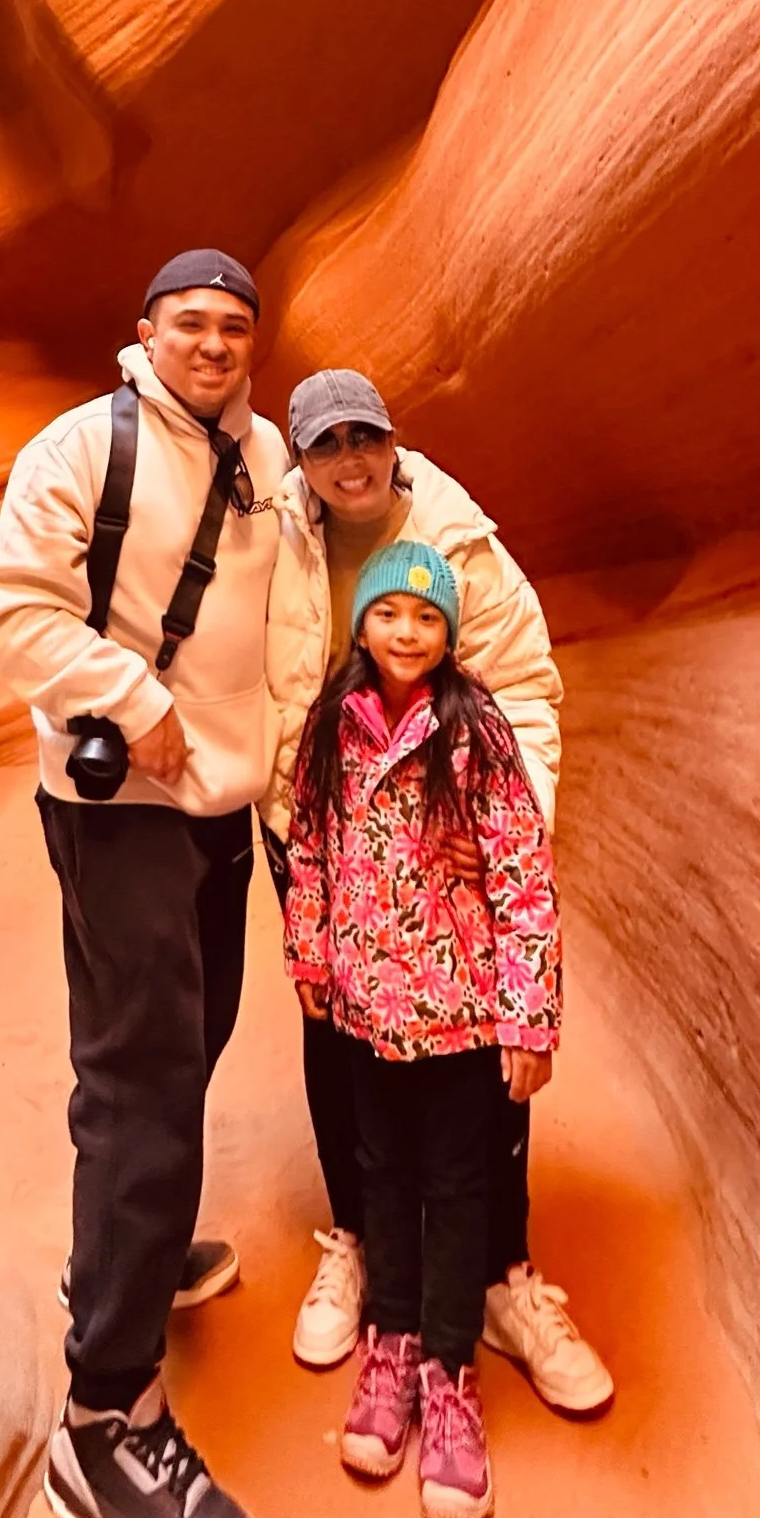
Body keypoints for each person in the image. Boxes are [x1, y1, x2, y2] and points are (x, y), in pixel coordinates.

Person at [0, 250, 286, 1518]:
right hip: (118, 806)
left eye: (233, 328)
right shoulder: (77, 450)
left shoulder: (263, 452)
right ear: (143, 331)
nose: (211, 345)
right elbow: (15, 614)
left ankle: (126, 1254)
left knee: (191, 1039)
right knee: (143, 1079)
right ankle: (104, 1419)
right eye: (190, 324)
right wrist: (132, 701)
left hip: (220, 802)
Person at [263, 369, 612, 1415]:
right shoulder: (272, 535)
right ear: (301, 460)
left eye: (366, 436)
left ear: (393, 438)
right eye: (328, 446)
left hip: (450, 840)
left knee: (478, 1074)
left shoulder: (458, 539)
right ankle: (364, 1244)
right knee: (340, 1045)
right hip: (319, 826)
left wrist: (502, 828)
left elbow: (530, 690)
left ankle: (501, 1274)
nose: (351, 461)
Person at [284, 540, 561, 1518]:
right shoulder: (333, 723)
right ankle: (390, 1338)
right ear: (361, 621)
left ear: (450, 631)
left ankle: (447, 1369)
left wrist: (530, 1012)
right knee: (381, 1175)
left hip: (459, 1017)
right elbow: (310, 845)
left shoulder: (475, 731)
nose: (408, 632)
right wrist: (310, 955)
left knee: (458, 1181)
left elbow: (523, 875)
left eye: (427, 616)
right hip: (365, 1011)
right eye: (390, 612)